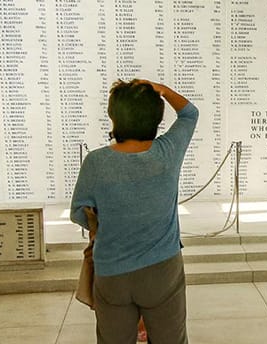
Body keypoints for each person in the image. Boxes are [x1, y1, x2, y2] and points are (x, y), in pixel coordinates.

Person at [71, 79, 198, 344]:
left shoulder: (96, 162)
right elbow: (189, 113)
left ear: (113, 117)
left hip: (112, 271)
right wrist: (160, 88)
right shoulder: (167, 152)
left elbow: (78, 213)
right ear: (156, 118)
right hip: (162, 269)